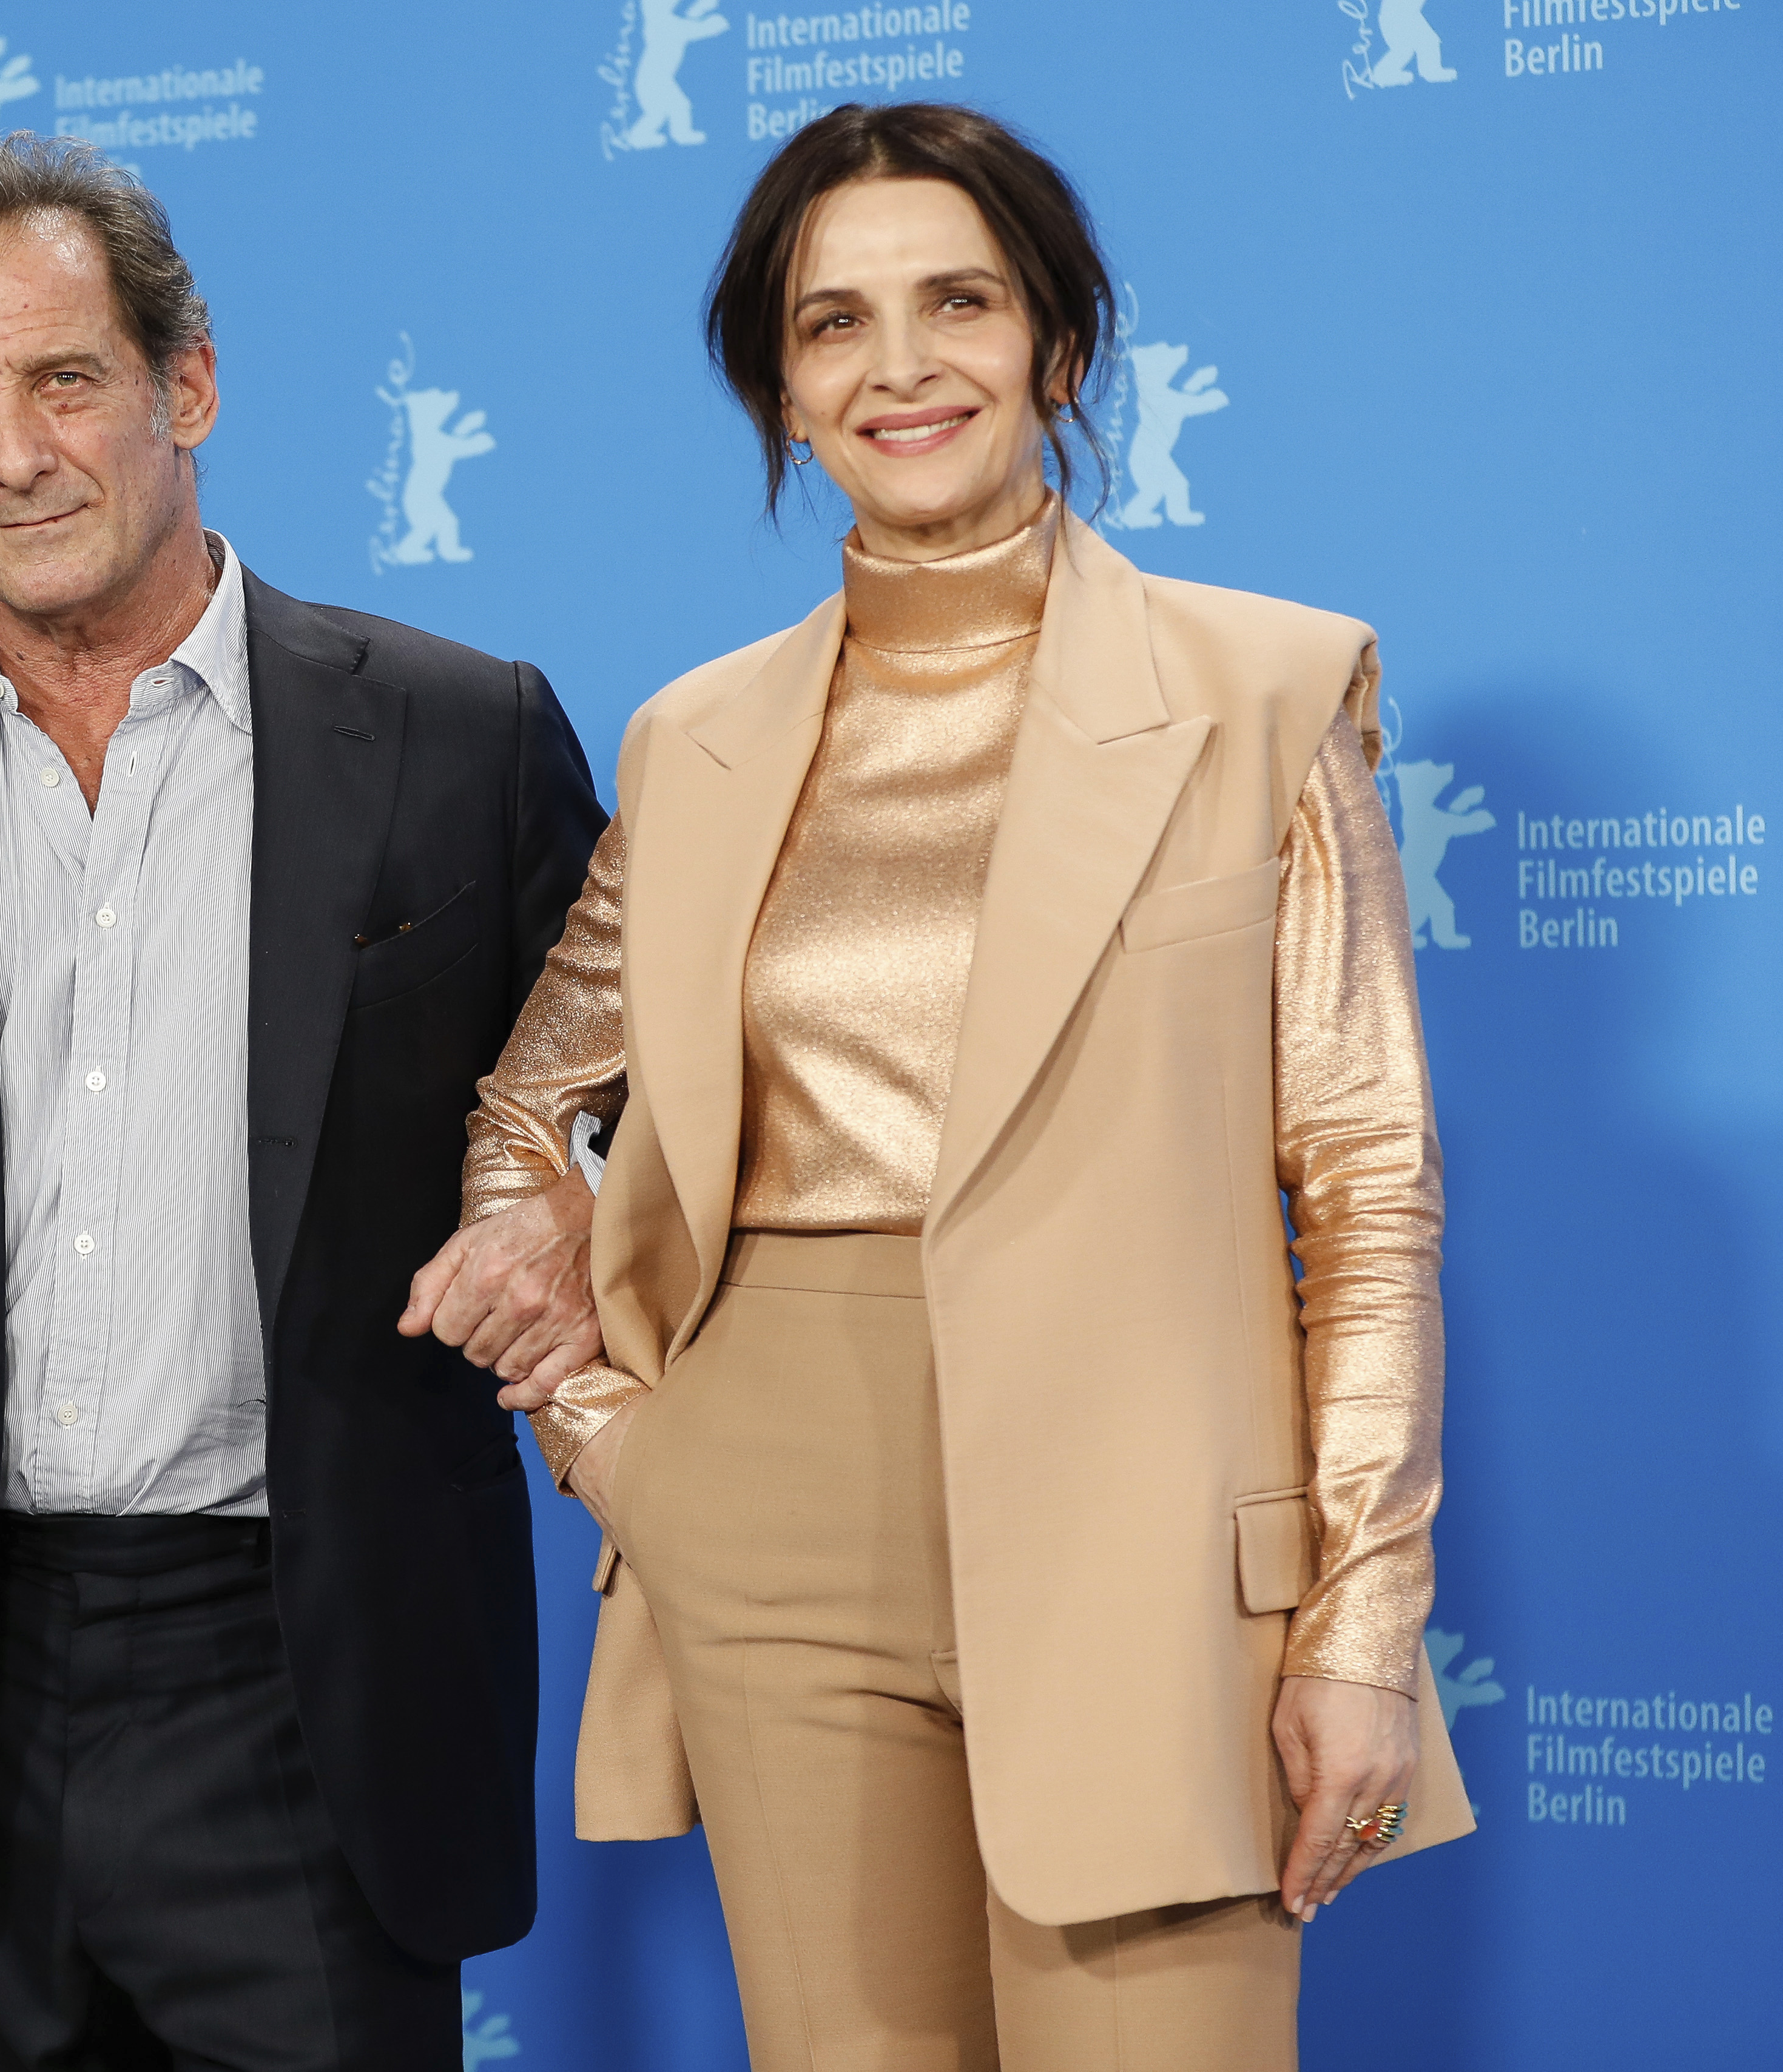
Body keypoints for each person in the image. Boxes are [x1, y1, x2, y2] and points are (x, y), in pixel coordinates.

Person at [404, 103, 1474, 2068]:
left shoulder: (1262, 689)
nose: (899, 366)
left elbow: (1366, 1181)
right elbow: (519, 1121)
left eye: (956, 302)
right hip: (767, 1516)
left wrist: (1358, 1622)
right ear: (781, 389)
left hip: (1151, 1530)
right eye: (832, 325)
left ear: (1056, 351)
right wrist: (615, 1441)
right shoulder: (700, 736)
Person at [0, 135, 604, 2070]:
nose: (14, 455)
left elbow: (631, 1124)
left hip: (305, 1688)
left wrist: (571, 1209)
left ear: (190, 385)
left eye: (65, 381)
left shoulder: (458, 738)